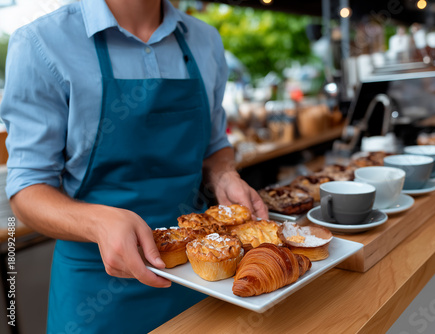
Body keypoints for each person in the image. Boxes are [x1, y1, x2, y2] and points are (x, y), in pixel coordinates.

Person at [0, 0, 268, 332]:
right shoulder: (42, 43)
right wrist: (97, 222)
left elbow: (215, 147)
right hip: (97, 295)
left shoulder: (204, 40)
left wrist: (224, 174)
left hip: (202, 276)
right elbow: (27, 190)